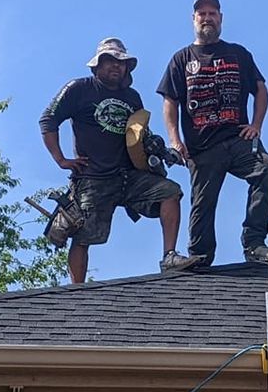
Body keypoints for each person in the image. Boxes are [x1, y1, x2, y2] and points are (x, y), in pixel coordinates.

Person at [41, 38, 201, 283]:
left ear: (127, 68)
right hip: (93, 177)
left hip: (128, 175)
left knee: (170, 192)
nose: (115, 66)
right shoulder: (79, 89)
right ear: (97, 66)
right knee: (82, 235)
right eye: (109, 61)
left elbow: (139, 136)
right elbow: (48, 119)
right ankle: (76, 293)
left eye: (120, 62)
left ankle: (169, 256)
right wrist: (61, 159)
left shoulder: (132, 97)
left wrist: (159, 149)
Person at [157, 0, 268, 264]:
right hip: (202, 146)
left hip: (238, 138)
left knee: (265, 167)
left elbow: (261, 90)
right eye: (202, 14)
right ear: (194, 19)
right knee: (202, 203)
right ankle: (199, 256)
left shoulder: (238, 53)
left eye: (212, 13)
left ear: (220, 18)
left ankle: (254, 244)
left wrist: (256, 125)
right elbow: (170, 101)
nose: (207, 18)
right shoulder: (181, 59)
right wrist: (175, 140)